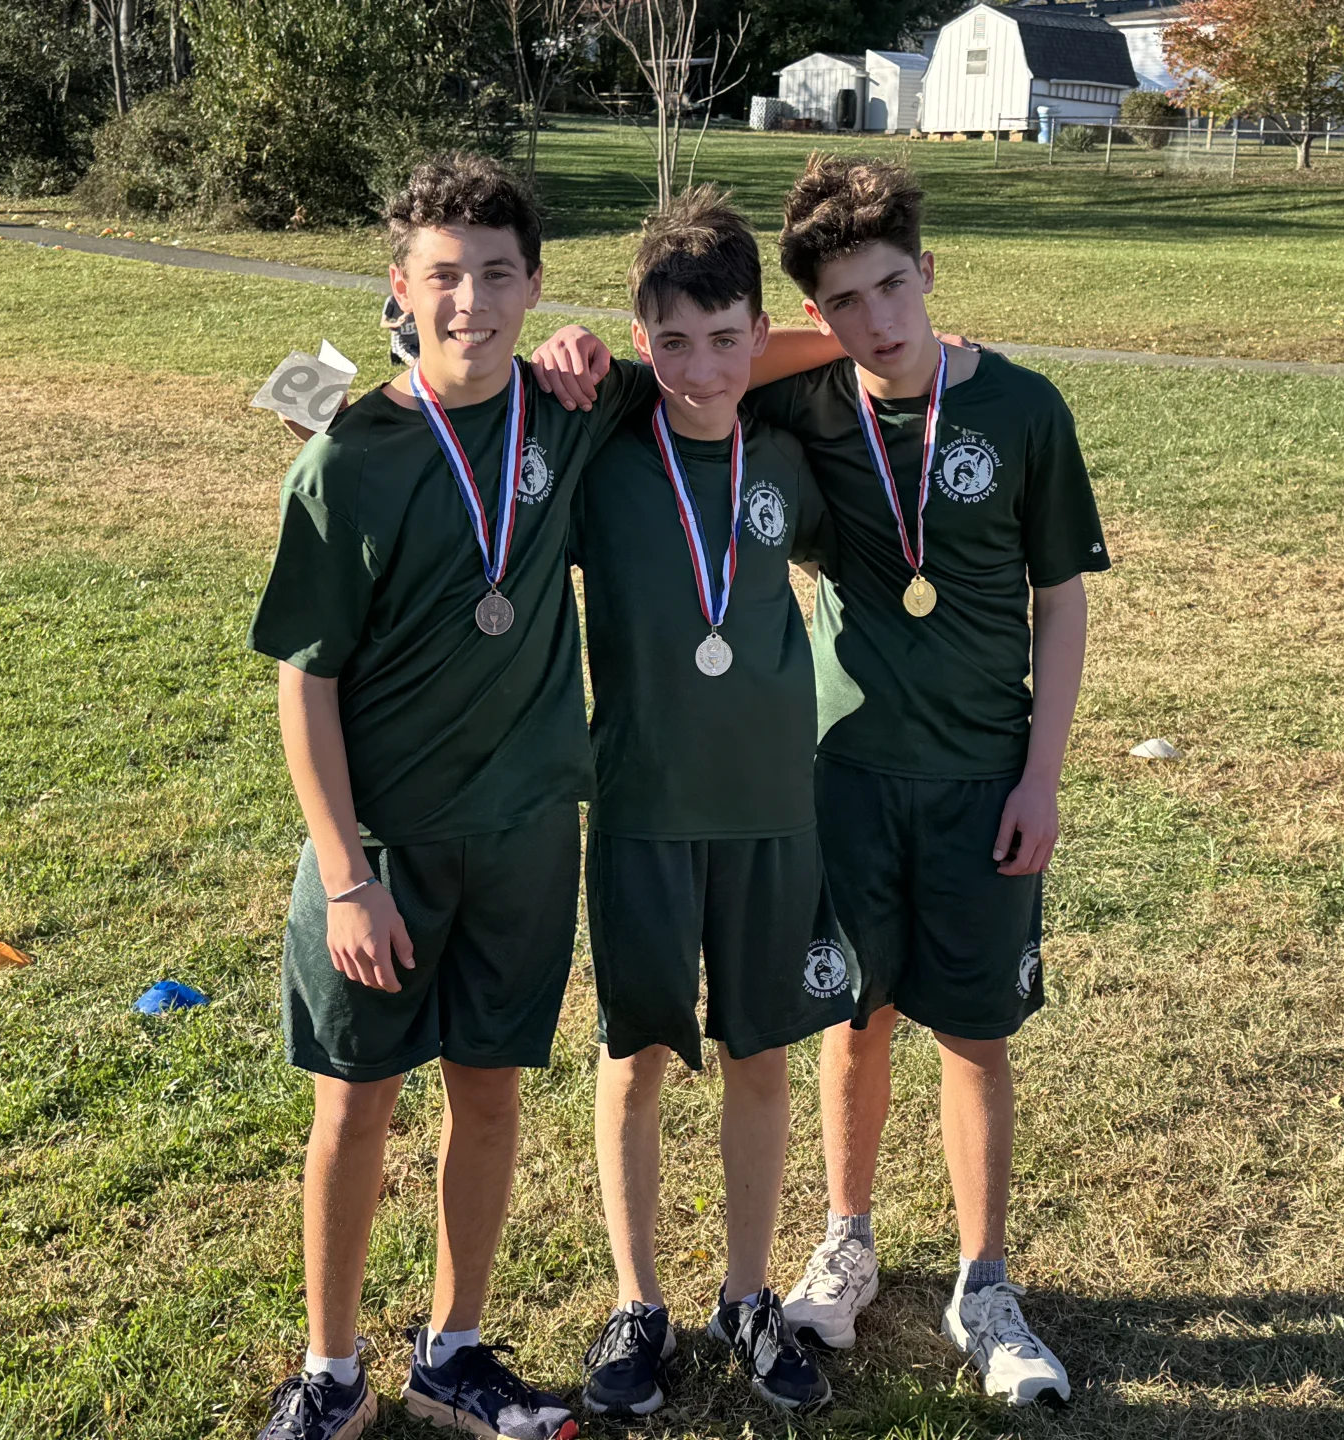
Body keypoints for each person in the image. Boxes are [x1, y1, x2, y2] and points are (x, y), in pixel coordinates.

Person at [530, 151, 1109, 1410]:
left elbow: (1058, 600)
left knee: (967, 1029)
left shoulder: (994, 411)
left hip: (975, 773)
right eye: (847, 304)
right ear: (816, 317)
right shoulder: (775, 414)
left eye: (897, 289)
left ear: (930, 275)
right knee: (847, 1014)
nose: (880, 322)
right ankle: (833, 1242)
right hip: (827, 774)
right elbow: (680, 385)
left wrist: (1045, 776)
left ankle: (984, 1279)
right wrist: (585, 354)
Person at [245, 151, 656, 1440]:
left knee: (489, 1093)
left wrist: (885, 343)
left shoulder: (573, 411)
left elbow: (722, 366)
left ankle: (454, 1345)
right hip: (382, 855)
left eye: (495, 273)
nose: (470, 299)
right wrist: (350, 876)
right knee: (354, 1105)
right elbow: (304, 689)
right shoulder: (349, 458)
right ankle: (332, 1367)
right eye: (443, 275)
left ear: (534, 285)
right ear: (401, 289)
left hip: (528, 835)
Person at [562, 188, 844, 1419]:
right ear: (641, 340)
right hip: (641, 807)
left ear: (760, 330)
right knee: (634, 1058)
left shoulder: (787, 450)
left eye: (728, 339)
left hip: (774, 808)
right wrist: (579, 357)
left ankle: (746, 1297)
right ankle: (640, 1300)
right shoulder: (605, 454)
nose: (702, 366)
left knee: (759, 1056)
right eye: (671, 342)